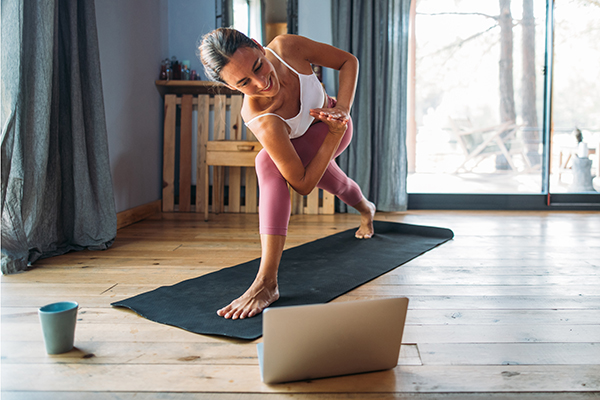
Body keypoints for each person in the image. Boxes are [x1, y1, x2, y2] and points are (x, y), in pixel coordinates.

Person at [199, 28, 376, 320]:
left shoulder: (287, 47)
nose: (262, 82)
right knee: (335, 183)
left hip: (331, 121)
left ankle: (266, 282)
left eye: (258, 65)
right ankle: (366, 209)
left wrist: (341, 112)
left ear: (258, 46)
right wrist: (333, 134)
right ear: (231, 87)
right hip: (312, 141)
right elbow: (303, 185)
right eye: (244, 82)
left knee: (266, 162)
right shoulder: (259, 116)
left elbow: (348, 62)